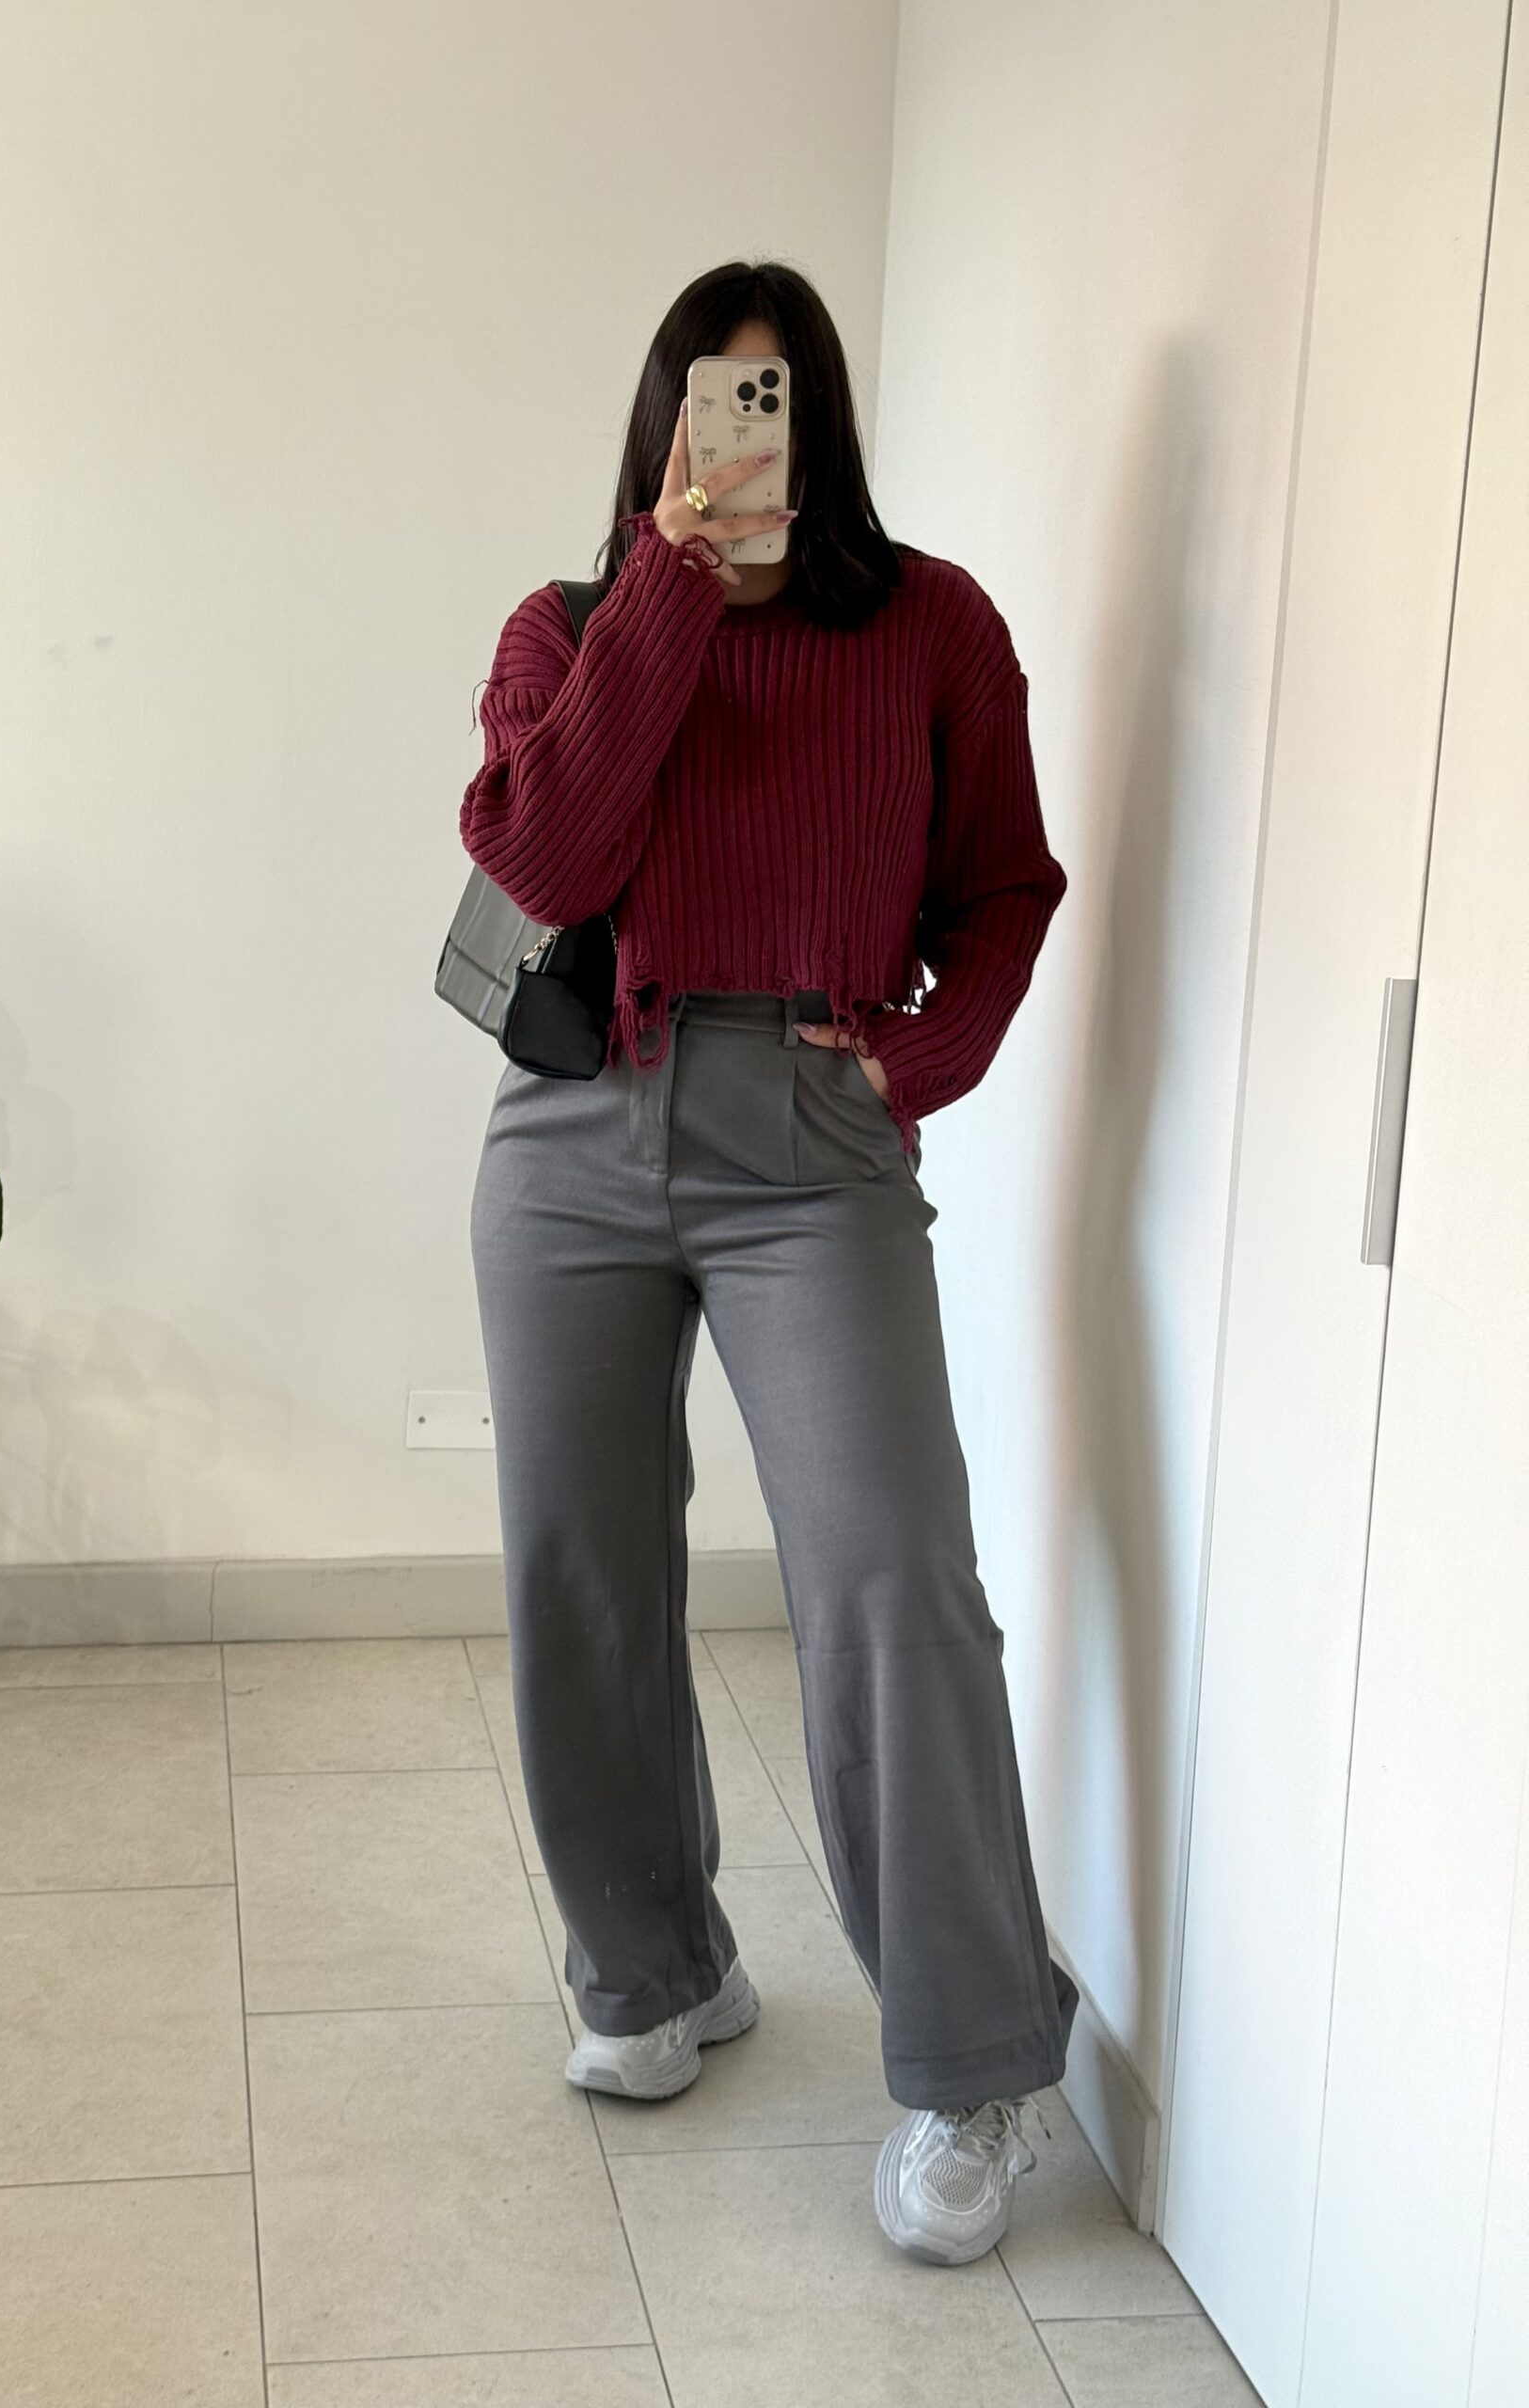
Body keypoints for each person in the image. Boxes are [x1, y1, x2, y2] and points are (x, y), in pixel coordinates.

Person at [461, 259, 1078, 2270]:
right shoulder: (567, 630)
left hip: (812, 1138)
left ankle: (973, 2061)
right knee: (581, 1568)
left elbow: (1006, 888)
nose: (736, 432)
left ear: (818, 417)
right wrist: (669, 590)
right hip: (573, 1136)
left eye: (769, 395)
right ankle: (652, 1967)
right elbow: (546, 860)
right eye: (703, 399)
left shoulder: (933, 628)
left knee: (892, 1575)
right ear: (661, 427)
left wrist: (912, 1067)